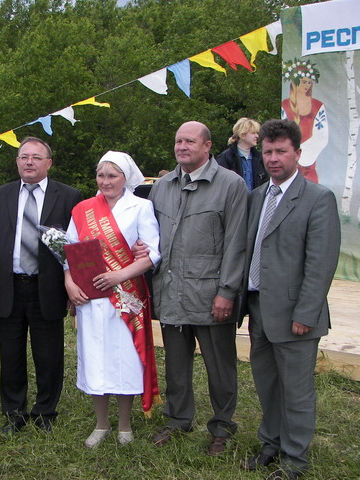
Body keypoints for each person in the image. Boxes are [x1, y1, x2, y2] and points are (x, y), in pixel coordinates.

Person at [240, 119, 340, 480]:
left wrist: (307, 313)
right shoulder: (257, 196)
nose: (273, 158)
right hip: (258, 309)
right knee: (267, 383)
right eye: (267, 151)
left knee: (296, 391)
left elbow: (321, 263)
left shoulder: (318, 198)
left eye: (281, 151)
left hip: (296, 315)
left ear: (298, 154)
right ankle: (271, 444)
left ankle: (294, 460)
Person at [148, 121, 248, 455]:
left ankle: (222, 427)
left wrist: (227, 291)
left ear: (208, 146)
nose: (182, 146)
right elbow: (150, 237)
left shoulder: (230, 185)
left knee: (220, 366)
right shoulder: (162, 186)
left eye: (190, 141)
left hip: (210, 296)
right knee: (176, 364)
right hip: (172, 292)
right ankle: (178, 419)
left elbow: (237, 243)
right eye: (178, 141)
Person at [0, 137, 81, 433]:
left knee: (48, 354)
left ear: (48, 163)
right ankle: (13, 413)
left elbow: (74, 247)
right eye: (24, 156)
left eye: (36, 157)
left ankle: (45, 412)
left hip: (48, 287)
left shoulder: (69, 196)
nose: (29, 162)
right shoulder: (0, 195)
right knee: (11, 354)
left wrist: (72, 288)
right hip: (9, 285)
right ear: (17, 161)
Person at [64, 151, 161, 448]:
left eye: (112, 175)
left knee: (125, 358)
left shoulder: (141, 207)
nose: (106, 181)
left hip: (126, 296)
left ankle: (124, 424)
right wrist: (69, 283)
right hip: (91, 298)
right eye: (101, 175)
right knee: (96, 358)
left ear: (125, 178)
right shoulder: (82, 209)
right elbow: (69, 252)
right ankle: (101, 423)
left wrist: (119, 276)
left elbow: (153, 253)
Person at [281, 59, 328, 183]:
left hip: (308, 165)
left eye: (309, 82)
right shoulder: (285, 105)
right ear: (295, 83)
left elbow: (321, 135)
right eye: (303, 82)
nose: (307, 86)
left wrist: (303, 157)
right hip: (289, 163)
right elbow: (283, 134)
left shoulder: (318, 106)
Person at [216, 117, 268, 191]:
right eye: (253, 133)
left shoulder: (259, 158)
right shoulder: (225, 158)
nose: (257, 136)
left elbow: (265, 183)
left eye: (257, 133)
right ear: (242, 135)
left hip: (256, 201)